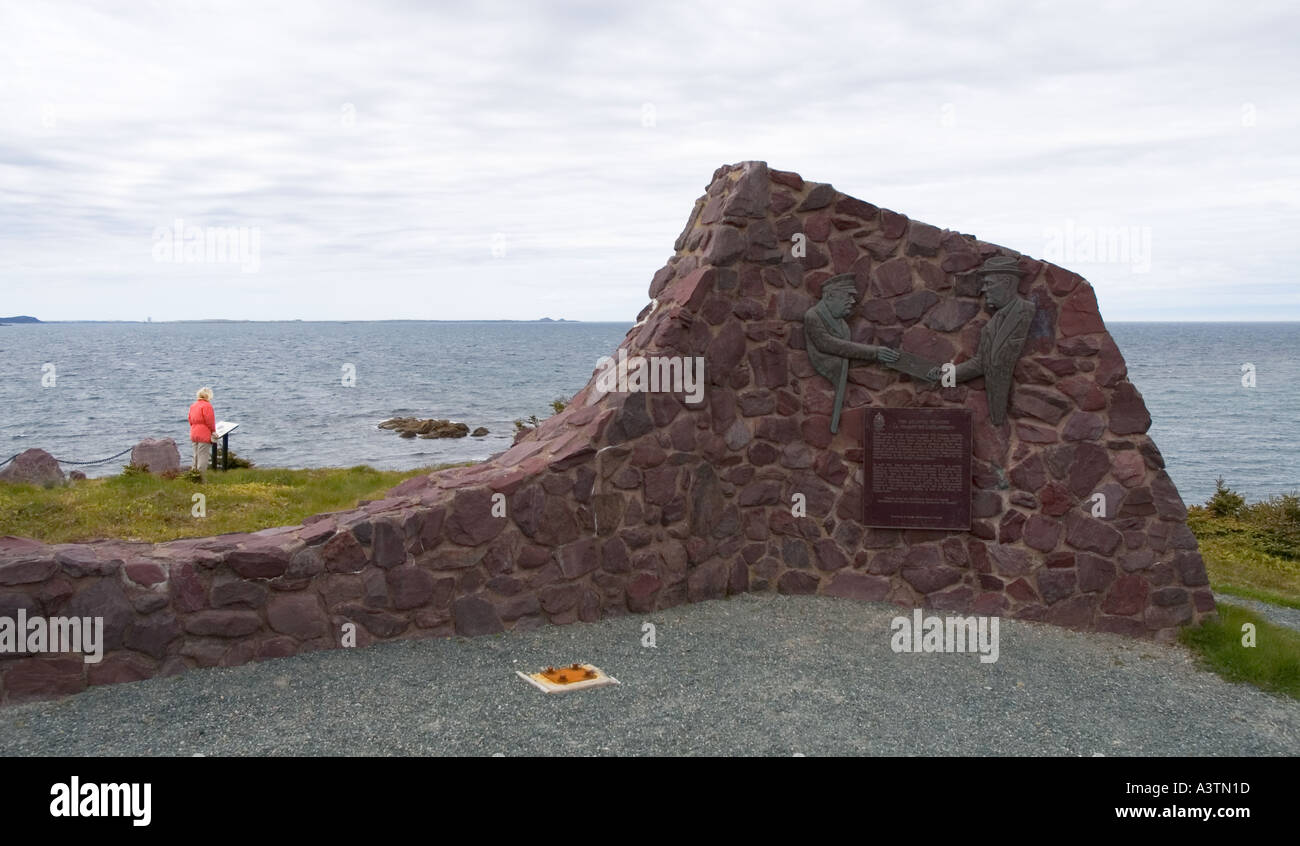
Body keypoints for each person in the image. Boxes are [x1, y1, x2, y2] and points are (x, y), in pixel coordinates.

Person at [924, 256, 1037, 425]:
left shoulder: (1025, 311)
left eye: (989, 283)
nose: (984, 289)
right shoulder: (990, 327)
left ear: (1006, 283)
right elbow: (980, 363)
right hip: (995, 406)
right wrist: (947, 375)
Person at [803, 273, 900, 432]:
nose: (853, 301)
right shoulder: (812, 316)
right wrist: (874, 352)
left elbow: (846, 348)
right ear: (830, 296)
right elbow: (828, 344)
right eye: (848, 296)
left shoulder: (842, 325)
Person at [188, 387, 216, 472]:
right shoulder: (207, 405)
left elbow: (190, 419)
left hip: (194, 432)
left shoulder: (193, 405)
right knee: (203, 457)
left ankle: (193, 476)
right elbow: (210, 421)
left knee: (195, 456)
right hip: (204, 433)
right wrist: (213, 431)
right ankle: (201, 478)